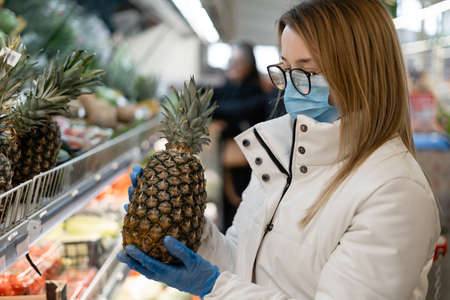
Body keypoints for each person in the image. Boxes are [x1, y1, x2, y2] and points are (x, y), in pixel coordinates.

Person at [118, 1, 441, 299]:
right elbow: (242, 264)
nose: (289, 85)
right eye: (285, 67)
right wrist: (191, 231)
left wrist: (212, 286)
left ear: (362, 73)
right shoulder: (283, 158)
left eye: (309, 70)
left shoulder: (394, 192)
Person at [211, 41, 268, 231]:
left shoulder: (257, 93)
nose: (233, 65)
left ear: (250, 65)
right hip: (227, 167)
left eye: (239, 61)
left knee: (245, 216)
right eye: (230, 60)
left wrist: (218, 113)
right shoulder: (225, 89)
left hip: (249, 167)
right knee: (228, 217)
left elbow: (239, 110)